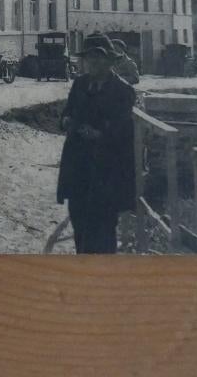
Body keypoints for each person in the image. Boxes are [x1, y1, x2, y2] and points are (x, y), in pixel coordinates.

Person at [56, 33, 137, 254]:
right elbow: (67, 112)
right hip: (78, 168)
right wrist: (66, 120)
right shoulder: (80, 85)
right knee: (79, 223)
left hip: (106, 172)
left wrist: (100, 135)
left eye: (99, 58)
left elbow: (124, 131)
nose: (94, 62)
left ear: (110, 61)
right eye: (90, 58)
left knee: (103, 230)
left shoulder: (123, 91)